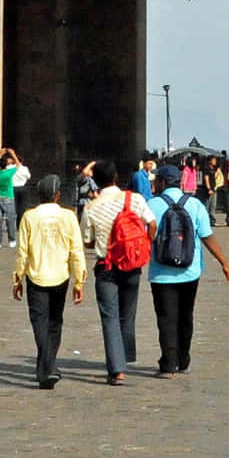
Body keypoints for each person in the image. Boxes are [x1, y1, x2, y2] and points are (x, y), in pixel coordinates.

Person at [148, 160, 229, 376]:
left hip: (161, 272)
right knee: (186, 315)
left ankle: (168, 364)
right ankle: (183, 359)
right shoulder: (195, 205)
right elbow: (207, 237)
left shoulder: (152, 205)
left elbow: (145, 236)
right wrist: (224, 263)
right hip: (189, 271)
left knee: (166, 317)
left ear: (161, 182)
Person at [82, 159, 156, 384]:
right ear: (116, 178)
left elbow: (87, 241)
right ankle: (125, 355)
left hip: (107, 267)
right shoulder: (134, 198)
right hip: (132, 264)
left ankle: (117, 369)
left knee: (109, 317)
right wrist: (145, 246)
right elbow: (152, 224)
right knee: (128, 313)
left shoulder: (91, 208)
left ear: (96, 182)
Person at [12, 174, 87, 390]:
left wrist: (18, 277)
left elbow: (22, 251)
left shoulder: (29, 217)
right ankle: (48, 367)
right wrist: (79, 281)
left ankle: (47, 367)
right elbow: (76, 251)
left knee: (39, 322)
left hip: (36, 276)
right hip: (60, 276)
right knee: (55, 322)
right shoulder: (69, 216)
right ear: (58, 195)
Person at [0, 149, 26, 248]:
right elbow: (18, 164)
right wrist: (13, 153)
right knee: (10, 220)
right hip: (9, 197)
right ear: (6, 165)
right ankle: (12, 240)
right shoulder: (9, 173)